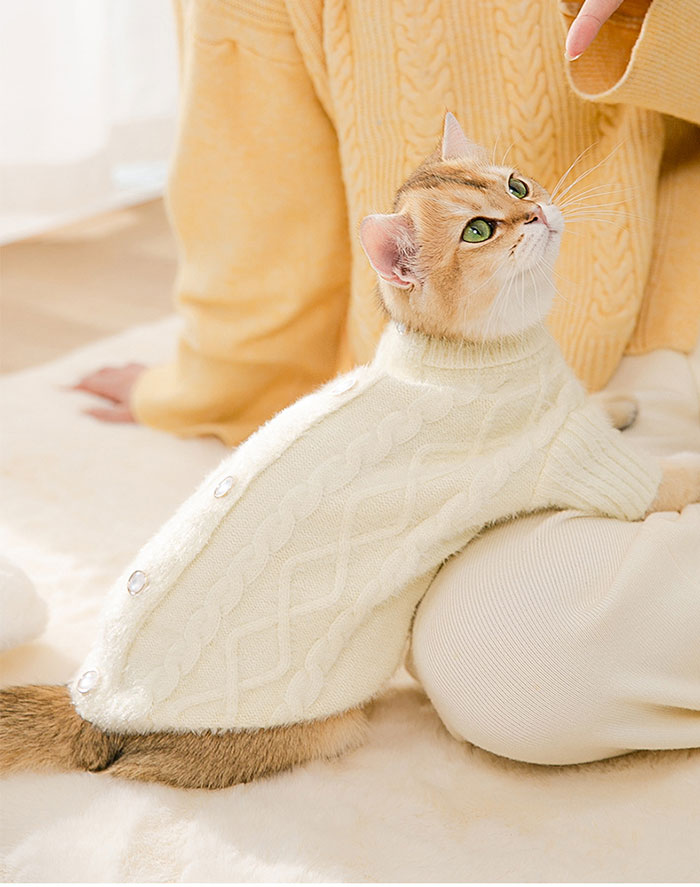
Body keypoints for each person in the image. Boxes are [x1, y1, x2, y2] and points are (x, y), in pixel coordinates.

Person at [76, 0, 700, 763]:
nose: (530, 214)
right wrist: (202, 385)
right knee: (508, 660)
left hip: (679, 318)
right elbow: (256, 220)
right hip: (541, 396)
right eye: (484, 223)